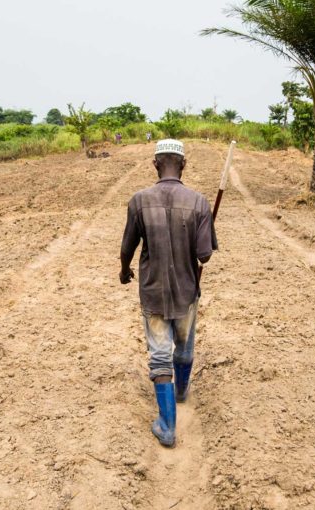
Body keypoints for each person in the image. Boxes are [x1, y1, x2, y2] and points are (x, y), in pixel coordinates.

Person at [119, 139, 217, 447]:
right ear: (184, 165)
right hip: (187, 291)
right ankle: (181, 391)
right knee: (184, 346)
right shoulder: (199, 202)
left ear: (156, 165)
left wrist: (125, 271)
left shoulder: (139, 200)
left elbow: (127, 247)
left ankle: (167, 425)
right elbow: (204, 256)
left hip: (153, 291)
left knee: (159, 355)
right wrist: (206, 230)